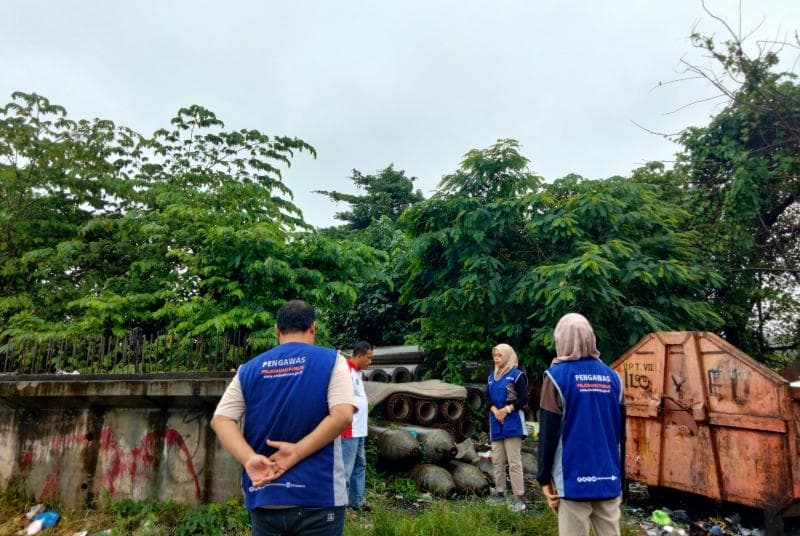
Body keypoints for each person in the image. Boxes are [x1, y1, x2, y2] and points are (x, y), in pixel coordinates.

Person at [211, 300, 356, 536]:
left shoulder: (248, 369)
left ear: (277, 330)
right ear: (313, 328)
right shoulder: (332, 361)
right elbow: (342, 416)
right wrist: (296, 452)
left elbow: (221, 420)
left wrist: (249, 459)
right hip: (319, 496)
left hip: (265, 495)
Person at [537, 313, 625, 536]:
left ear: (561, 340)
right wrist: (621, 481)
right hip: (609, 479)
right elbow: (620, 434)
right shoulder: (614, 378)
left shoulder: (556, 377)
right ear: (590, 338)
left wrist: (544, 478)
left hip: (572, 480)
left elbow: (548, 433)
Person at [486, 343, 528, 512]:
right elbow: (487, 397)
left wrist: (507, 409)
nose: (496, 359)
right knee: (497, 460)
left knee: (514, 461)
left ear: (508, 356)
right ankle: (500, 493)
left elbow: (524, 398)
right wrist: (496, 410)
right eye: (494, 355)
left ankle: (519, 497)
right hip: (496, 421)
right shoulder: (491, 376)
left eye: (499, 356)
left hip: (512, 421)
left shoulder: (517, 376)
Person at [340, 340, 373, 513]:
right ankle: (342, 506)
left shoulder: (357, 372)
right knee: (346, 469)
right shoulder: (346, 371)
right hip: (350, 429)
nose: (370, 361)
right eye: (368, 357)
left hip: (360, 430)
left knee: (359, 465)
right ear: (359, 355)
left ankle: (357, 501)